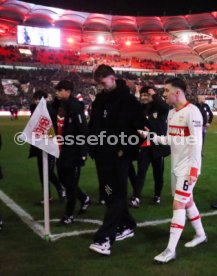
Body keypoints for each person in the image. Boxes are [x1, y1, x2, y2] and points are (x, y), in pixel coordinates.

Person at [138, 77, 207, 263]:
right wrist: (150, 136)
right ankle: (201, 235)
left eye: (167, 90)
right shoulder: (170, 114)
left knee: (178, 205)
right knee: (188, 201)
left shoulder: (193, 113)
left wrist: (194, 170)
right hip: (176, 167)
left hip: (188, 168)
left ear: (178, 92)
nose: (164, 94)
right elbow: (169, 139)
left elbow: (196, 144)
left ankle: (170, 250)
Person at [88, 64, 144, 255]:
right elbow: (94, 124)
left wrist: (125, 149)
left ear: (112, 78)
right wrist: (91, 146)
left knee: (116, 196)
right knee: (108, 192)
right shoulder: (100, 100)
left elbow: (140, 130)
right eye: (99, 84)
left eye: (103, 82)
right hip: (102, 155)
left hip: (119, 157)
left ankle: (104, 238)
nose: (101, 87)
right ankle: (128, 224)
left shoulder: (129, 102)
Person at [54, 80, 91, 225]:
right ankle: (84, 198)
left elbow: (83, 130)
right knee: (64, 180)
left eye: (60, 90)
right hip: (62, 151)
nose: (57, 92)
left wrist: (83, 152)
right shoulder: (60, 105)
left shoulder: (76, 107)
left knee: (71, 184)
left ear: (68, 91)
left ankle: (69, 215)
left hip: (74, 153)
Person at [129, 86, 170, 208]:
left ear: (152, 95)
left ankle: (157, 195)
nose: (143, 97)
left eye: (146, 95)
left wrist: (154, 94)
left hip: (158, 145)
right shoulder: (140, 109)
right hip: (145, 144)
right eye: (142, 95)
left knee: (158, 173)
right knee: (141, 171)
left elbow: (165, 107)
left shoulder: (160, 107)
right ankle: (136, 197)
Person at [29, 90, 66, 205]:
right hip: (39, 146)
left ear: (44, 99)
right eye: (35, 99)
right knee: (42, 173)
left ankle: (60, 188)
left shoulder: (50, 110)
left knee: (48, 173)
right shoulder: (36, 109)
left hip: (49, 145)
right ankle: (48, 196)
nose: (36, 101)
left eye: (38, 99)